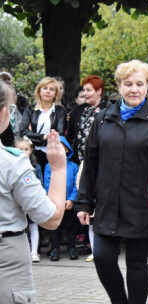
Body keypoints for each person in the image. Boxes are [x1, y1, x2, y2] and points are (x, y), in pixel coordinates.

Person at [74, 59, 148, 304]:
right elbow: (90, 164)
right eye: (128, 84)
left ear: (147, 86)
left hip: (142, 205)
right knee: (102, 257)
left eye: (140, 84)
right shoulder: (103, 119)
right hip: (108, 204)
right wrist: (84, 202)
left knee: (136, 262)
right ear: (119, 86)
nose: (134, 89)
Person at [0, 78, 67, 304]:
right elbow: (51, 218)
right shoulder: (11, 162)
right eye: (10, 109)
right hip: (6, 257)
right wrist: (58, 168)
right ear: (2, 114)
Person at [20, 77, 67, 173]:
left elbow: (60, 133)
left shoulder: (60, 111)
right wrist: (43, 137)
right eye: (45, 88)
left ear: (55, 94)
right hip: (33, 152)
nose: (48, 92)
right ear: (39, 90)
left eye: (52, 89)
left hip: (52, 152)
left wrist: (36, 136)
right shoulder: (30, 109)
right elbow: (23, 131)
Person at [44, 136, 79, 261]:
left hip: (69, 202)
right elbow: (48, 184)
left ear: (67, 150)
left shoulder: (74, 166)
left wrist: (71, 199)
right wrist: (53, 200)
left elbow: (76, 184)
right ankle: (54, 249)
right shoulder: (49, 166)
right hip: (55, 203)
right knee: (54, 227)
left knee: (71, 227)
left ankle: (71, 247)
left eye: (61, 147)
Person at [14, 136, 44, 263]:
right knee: (20, 227)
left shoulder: (35, 166)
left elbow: (40, 183)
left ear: (31, 150)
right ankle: (20, 254)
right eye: (20, 149)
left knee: (33, 226)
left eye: (26, 149)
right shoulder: (12, 165)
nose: (23, 152)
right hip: (17, 202)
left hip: (31, 200)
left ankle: (34, 252)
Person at [66, 75, 106, 165]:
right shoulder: (78, 110)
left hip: (101, 161)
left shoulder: (109, 110)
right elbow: (70, 136)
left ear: (99, 91)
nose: (85, 93)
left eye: (88, 90)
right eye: (84, 90)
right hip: (79, 161)